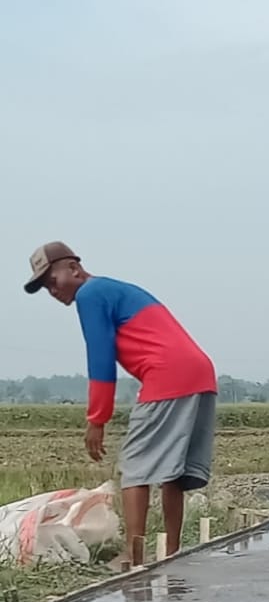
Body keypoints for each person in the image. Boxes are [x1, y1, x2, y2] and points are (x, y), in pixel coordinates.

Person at [24, 241, 218, 563]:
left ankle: (133, 556)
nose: (53, 291)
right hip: (199, 373)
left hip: (168, 375)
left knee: (136, 466)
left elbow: (101, 360)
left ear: (74, 268)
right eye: (46, 288)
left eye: (53, 281)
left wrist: (97, 420)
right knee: (170, 470)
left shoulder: (89, 294)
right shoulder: (112, 289)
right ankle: (171, 552)